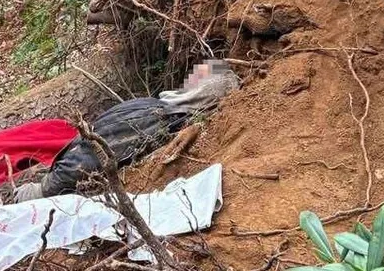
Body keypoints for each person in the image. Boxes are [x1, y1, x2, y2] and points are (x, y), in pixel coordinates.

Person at [13, 59, 239, 201]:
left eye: (198, 77)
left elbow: (91, 155)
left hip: (62, 174)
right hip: (62, 170)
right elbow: (92, 153)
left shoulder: (155, 113)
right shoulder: (156, 114)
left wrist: (45, 188)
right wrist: (47, 184)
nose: (191, 79)